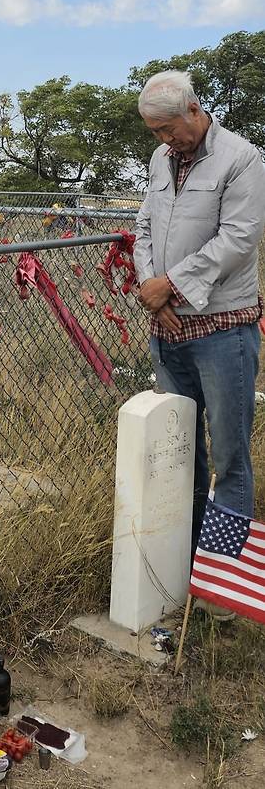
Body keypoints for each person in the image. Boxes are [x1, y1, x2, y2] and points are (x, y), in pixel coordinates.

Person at [133, 69, 265, 617]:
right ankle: (184, 564)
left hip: (223, 332)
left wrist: (173, 286)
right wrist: (151, 287)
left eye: (170, 129)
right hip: (169, 330)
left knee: (229, 455)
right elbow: (143, 227)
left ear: (193, 109)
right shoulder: (160, 162)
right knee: (182, 452)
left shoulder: (242, 159)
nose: (166, 141)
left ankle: (221, 591)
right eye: (156, 133)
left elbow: (238, 239)